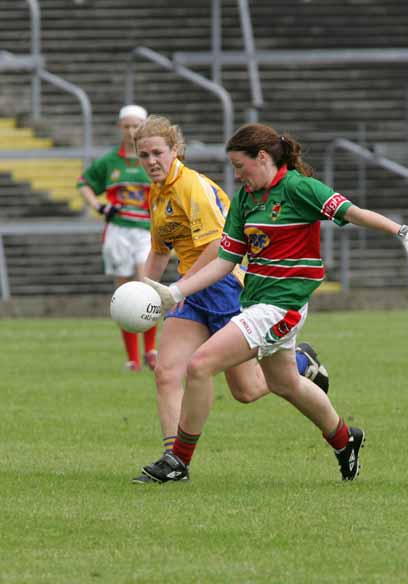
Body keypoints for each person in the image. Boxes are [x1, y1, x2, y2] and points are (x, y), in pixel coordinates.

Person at [141, 122, 408, 483]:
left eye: (241, 166)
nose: (237, 175)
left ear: (264, 157)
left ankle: (178, 461)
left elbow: (353, 212)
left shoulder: (300, 188)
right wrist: (176, 292)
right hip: (255, 301)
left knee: (200, 365)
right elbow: (225, 261)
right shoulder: (244, 200)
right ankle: (345, 439)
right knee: (281, 385)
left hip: (282, 306)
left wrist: (401, 231)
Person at [130, 116, 330, 483]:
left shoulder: (192, 187)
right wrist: (142, 292)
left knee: (247, 390)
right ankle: (174, 459)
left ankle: (301, 364)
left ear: (175, 150)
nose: (151, 160)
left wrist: (179, 289)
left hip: (221, 288)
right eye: (143, 155)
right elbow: (160, 251)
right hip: (190, 290)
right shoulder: (155, 193)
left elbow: (216, 247)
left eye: (157, 152)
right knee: (167, 372)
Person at [78, 104, 158, 372]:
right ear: (119, 128)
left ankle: (151, 351)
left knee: (146, 287)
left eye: (136, 126)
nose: (131, 131)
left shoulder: (154, 159)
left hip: (146, 231)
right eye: (126, 126)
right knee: (124, 293)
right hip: (118, 231)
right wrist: (98, 206)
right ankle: (133, 359)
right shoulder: (110, 160)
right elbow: (84, 183)